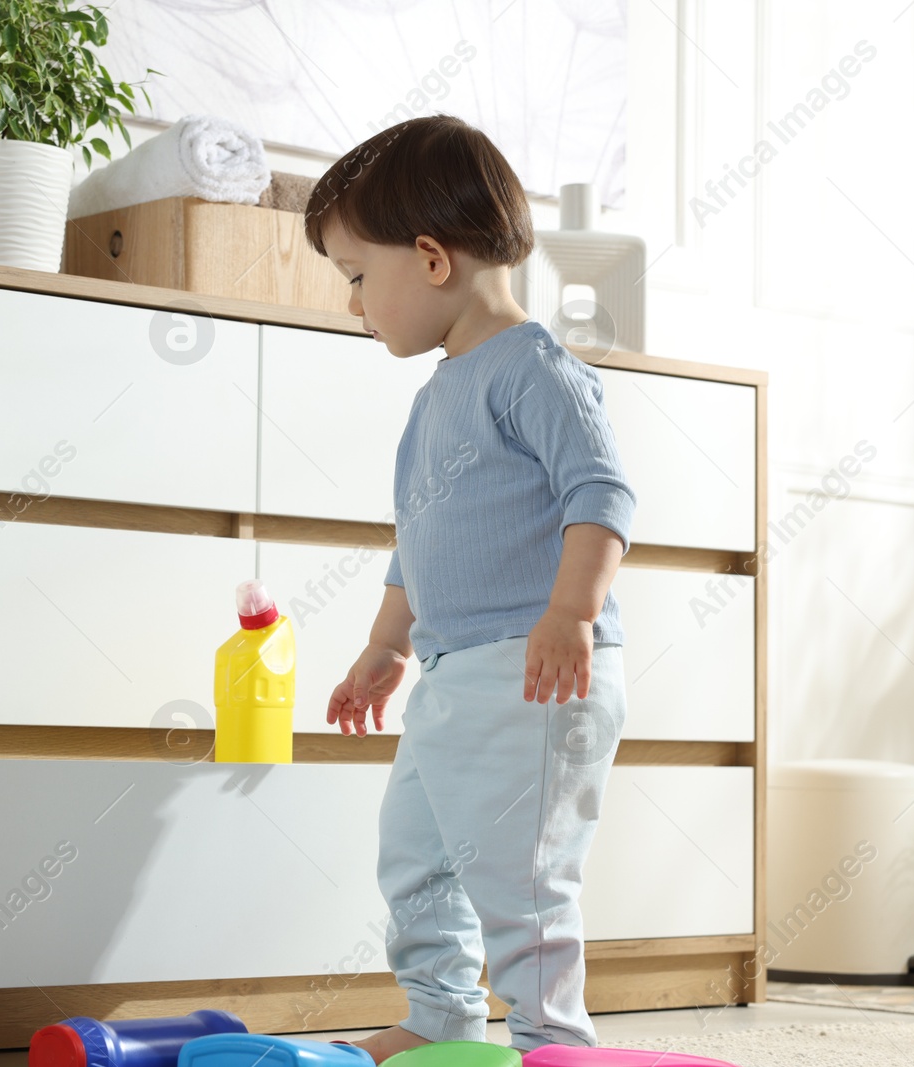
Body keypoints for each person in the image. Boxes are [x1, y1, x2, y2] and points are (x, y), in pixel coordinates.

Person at [302, 114, 638, 1061]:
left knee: (523, 876)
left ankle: (550, 1035)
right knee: (415, 855)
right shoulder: (435, 395)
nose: (355, 303)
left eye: (359, 278)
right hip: (454, 677)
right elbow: (420, 536)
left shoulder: (535, 370)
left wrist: (570, 612)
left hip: (536, 676)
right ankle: (439, 1017)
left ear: (431, 259)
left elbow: (601, 494)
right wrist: (384, 644)